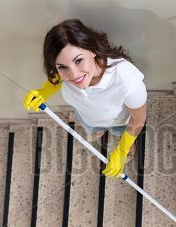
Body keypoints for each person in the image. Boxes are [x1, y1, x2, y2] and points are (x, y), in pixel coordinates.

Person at [23, 19, 147, 178]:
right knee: (92, 128)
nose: (74, 75)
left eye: (78, 60)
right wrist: (43, 92)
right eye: (62, 67)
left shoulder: (126, 79)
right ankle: (98, 130)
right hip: (88, 118)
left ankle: (125, 148)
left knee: (119, 133)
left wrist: (122, 151)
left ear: (92, 50)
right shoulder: (64, 73)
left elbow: (139, 118)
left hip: (119, 122)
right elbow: (56, 77)